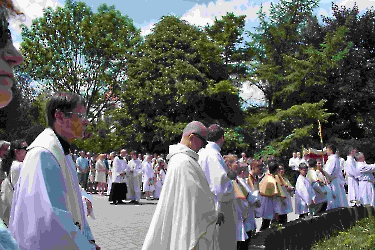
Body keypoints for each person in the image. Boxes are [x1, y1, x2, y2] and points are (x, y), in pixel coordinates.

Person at [9, 92, 99, 249]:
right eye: (81, 115)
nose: (86, 122)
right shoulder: (44, 153)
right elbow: (52, 215)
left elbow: (72, 193)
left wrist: (88, 239)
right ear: (60, 116)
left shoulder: (61, 151)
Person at [142, 121, 218, 250]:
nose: (203, 147)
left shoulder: (180, 159)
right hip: (188, 224)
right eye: (204, 142)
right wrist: (214, 213)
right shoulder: (184, 161)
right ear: (192, 137)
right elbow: (196, 200)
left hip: (181, 218)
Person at [198, 124, 237, 250]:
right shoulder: (213, 155)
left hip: (206, 203)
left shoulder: (202, 152)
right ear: (222, 138)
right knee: (222, 242)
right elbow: (219, 186)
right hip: (219, 206)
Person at [0, 139, 28, 225]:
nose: (27, 151)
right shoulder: (18, 166)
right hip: (18, 209)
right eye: (25, 148)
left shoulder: (15, 164)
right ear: (16, 151)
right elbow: (19, 190)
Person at [258, 160, 284, 231]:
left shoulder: (267, 176)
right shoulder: (271, 180)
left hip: (265, 202)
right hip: (270, 204)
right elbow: (274, 196)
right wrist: (276, 211)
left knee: (265, 222)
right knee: (267, 224)